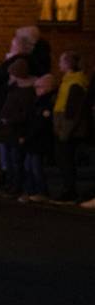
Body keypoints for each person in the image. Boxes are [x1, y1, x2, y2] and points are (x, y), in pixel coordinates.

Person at [0, 59, 37, 197]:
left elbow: (24, 113)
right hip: (8, 129)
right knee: (11, 160)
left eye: (12, 74)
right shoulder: (15, 87)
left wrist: (8, 120)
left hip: (16, 130)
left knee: (16, 160)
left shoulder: (26, 92)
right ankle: (11, 183)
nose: (10, 77)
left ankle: (17, 186)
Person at [51, 51, 89, 204]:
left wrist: (64, 132)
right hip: (64, 126)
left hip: (68, 129)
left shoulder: (74, 83)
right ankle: (68, 189)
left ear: (67, 64)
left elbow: (72, 111)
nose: (59, 64)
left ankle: (69, 191)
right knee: (64, 159)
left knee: (66, 160)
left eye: (61, 61)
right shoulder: (68, 80)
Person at [21, 73, 56, 202]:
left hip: (38, 141)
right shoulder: (38, 102)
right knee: (28, 166)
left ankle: (42, 191)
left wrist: (27, 136)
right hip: (33, 141)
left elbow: (40, 124)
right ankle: (31, 191)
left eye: (39, 87)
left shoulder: (46, 103)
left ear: (47, 87)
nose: (36, 89)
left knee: (36, 168)